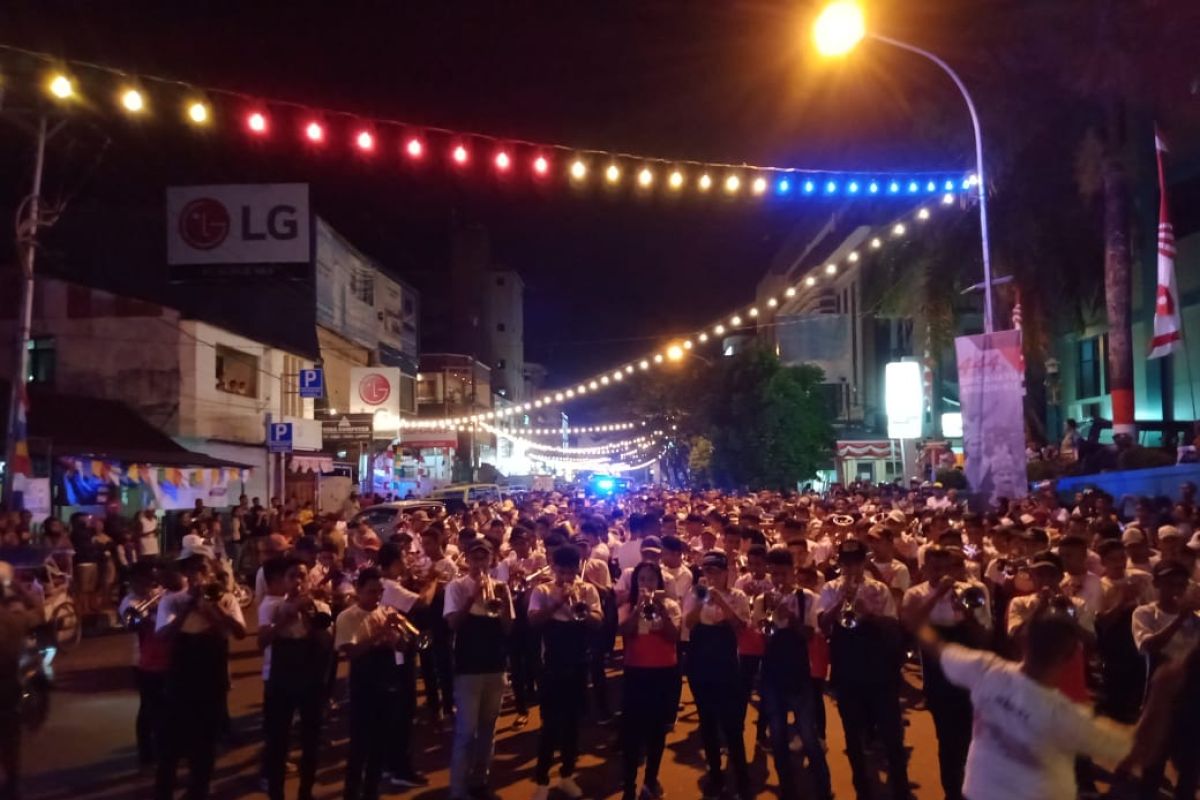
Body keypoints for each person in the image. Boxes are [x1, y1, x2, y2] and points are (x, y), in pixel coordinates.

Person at [919, 613, 1132, 800]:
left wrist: (918, 622)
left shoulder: (986, 670)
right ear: (1070, 657)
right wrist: (1161, 690)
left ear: (1025, 642)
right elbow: (1137, 748)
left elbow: (937, 647)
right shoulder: (1065, 716)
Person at [817, 538, 910, 800]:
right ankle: (863, 789)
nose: (851, 567)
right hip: (847, 668)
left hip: (879, 668)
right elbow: (823, 625)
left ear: (863, 561)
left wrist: (868, 613)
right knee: (852, 734)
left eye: (855, 562)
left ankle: (900, 789)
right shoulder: (830, 588)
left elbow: (893, 628)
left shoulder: (879, 589)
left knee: (891, 735)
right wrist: (839, 602)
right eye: (846, 563)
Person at [153, 553, 246, 800]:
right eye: (192, 571)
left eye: (202, 570)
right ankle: (164, 791)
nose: (198, 576)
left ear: (212, 573)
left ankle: (198, 790)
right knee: (171, 739)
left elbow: (239, 632)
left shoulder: (226, 599)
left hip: (212, 672)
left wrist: (211, 609)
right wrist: (187, 608)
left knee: (206, 740)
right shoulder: (172, 601)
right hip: (181, 672)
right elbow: (164, 635)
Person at [901, 546, 990, 800]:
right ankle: (953, 791)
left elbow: (984, 637)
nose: (943, 573)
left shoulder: (974, 591)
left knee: (974, 738)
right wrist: (938, 593)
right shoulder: (915, 594)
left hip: (970, 673)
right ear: (925, 569)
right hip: (938, 676)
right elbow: (909, 625)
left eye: (948, 568)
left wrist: (967, 615)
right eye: (936, 568)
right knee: (947, 739)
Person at [755, 546, 832, 800]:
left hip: (799, 674)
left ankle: (823, 786)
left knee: (808, 734)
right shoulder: (762, 600)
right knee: (777, 736)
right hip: (772, 674)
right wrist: (772, 617)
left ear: (793, 572)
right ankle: (787, 786)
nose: (778, 579)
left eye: (783, 574)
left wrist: (791, 619)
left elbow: (811, 634)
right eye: (774, 574)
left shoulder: (808, 598)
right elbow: (761, 637)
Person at [257, 556, 334, 800]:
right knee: (278, 740)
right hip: (282, 677)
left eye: (302, 576)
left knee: (311, 740)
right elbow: (262, 642)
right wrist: (286, 617)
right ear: (284, 580)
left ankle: (305, 792)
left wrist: (309, 615)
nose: (298, 582)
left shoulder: (320, 606)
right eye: (292, 576)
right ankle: (276, 793)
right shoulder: (271, 606)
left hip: (310, 676)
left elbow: (327, 642)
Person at [529, 544, 602, 800]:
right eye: (560, 570)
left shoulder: (588, 589)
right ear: (554, 568)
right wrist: (557, 602)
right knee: (549, 726)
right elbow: (534, 621)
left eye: (570, 570)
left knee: (573, 724)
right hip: (552, 665)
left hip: (578, 664)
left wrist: (578, 606)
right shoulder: (542, 590)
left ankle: (567, 775)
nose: (565, 575)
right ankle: (541, 780)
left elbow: (597, 622)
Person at [445, 539, 513, 800]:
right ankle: (458, 790)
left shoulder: (500, 587)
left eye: (484, 558)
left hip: (495, 666)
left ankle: (480, 779)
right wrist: (472, 597)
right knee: (466, 731)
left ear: (491, 560)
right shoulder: (456, 587)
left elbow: (507, 628)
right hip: (468, 668)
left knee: (488, 729)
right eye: (475, 558)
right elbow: (453, 624)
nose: (479, 564)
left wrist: (504, 602)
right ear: (467, 559)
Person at [684, 551, 752, 800]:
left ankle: (742, 778)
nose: (710, 576)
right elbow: (689, 624)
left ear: (726, 572)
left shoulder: (738, 596)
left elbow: (741, 627)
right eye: (706, 571)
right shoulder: (696, 594)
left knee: (732, 725)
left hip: (726, 666)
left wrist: (721, 602)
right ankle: (715, 777)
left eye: (715, 571)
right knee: (708, 723)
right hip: (701, 664)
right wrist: (703, 600)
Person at [336, 568, 404, 800]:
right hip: (363, 685)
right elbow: (351, 652)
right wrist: (379, 635)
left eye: (379, 592)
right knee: (359, 748)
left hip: (386, 682)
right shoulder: (347, 617)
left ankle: (371, 793)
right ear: (358, 590)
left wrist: (398, 633)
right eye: (371, 592)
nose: (376, 597)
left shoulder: (385, 612)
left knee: (379, 746)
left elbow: (401, 647)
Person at [617, 562, 680, 800]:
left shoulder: (671, 605)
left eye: (651, 579)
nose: (646, 584)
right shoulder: (628, 605)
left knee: (657, 731)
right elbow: (623, 631)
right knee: (632, 732)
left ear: (659, 582)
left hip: (663, 673)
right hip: (636, 672)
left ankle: (650, 780)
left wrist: (661, 610)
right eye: (642, 579)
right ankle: (629, 786)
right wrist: (638, 608)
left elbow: (674, 636)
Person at [377, 542, 435, 788]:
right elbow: (423, 602)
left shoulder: (382, 583)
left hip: (388, 655)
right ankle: (400, 768)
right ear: (392, 562)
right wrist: (433, 580)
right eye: (402, 559)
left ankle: (388, 764)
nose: (406, 563)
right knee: (402, 713)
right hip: (398, 656)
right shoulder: (389, 585)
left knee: (392, 714)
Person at [118, 560, 170, 768]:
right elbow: (136, 624)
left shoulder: (160, 594)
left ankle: (162, 748)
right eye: (145, 582)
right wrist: (153, 608)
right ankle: (147, 754)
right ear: (134, 582)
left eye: (152, 582)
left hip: (165, 659)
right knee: (149, 709)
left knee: (165, 707)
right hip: (142, 662)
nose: (150, 586)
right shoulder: (129, 603)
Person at [0, 562, 45, 799]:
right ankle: (12, 783)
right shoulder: (16, 619)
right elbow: (40, 612)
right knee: (9, 739)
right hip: (8, 686)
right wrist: (20, 589)